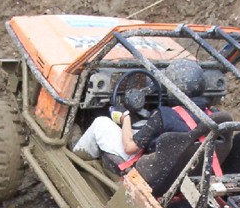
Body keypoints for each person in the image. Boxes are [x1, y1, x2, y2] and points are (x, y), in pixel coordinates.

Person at [73, 58, 213, 164]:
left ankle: (77, 156)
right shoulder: (212, 115)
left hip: (145, 164)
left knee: (100, 123)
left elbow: (129, 148)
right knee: (143, 123)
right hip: (175, 164)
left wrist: (125, 118)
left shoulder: (164, 116)